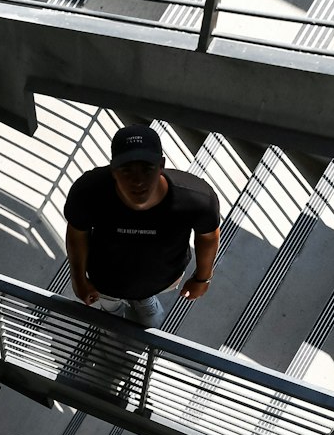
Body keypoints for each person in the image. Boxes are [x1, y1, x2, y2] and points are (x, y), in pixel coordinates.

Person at [64, 124, 220, 329]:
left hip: (164, 280)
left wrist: (203, 278)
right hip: (104, 281)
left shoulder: (197, 199)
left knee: (145, 294)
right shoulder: (88, 193)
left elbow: (209, 236)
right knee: (110, 305)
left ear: (161, 165)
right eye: (126, 169)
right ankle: (113, 311)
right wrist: (78, 279)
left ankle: (144, 300)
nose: (137, 181)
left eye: (147, 169)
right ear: (113, 170)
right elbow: (77, 234)